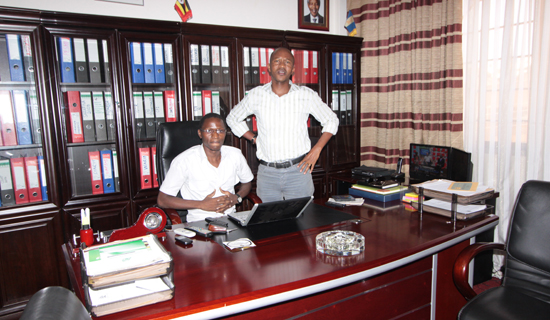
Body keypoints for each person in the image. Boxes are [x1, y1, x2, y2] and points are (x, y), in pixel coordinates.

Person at [226, 47, 339, 202]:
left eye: (287, 62)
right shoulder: (256, 95)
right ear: (269, 67)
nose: (281, 65)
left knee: (303, 221)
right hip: (267, 174)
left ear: (293, 69)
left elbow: (331, 120)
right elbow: (232, 118)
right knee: (270, 221)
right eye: (277, 61)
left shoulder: (306, 95)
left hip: (299, 171)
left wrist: (317, 149)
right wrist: (254, 139)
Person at [157, 113, 253, 222]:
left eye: (220, 130)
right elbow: (162, 200)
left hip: (231, 219)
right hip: (200, 222)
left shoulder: (235, 155)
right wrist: (201, 204)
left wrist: (236, 198)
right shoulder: (184, 161)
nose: (215, 135)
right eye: (209, 131)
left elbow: (247, 182)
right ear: (200, 133)